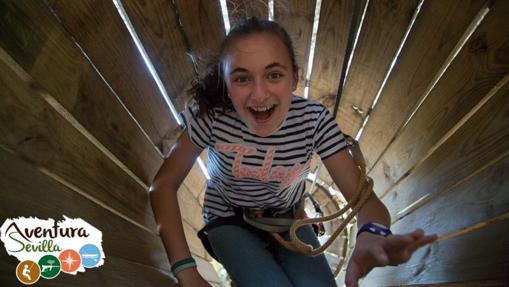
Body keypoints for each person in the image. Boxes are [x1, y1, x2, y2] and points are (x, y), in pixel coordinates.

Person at [149, 17, 437, 287]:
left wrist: (373, 234)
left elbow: (365, 201)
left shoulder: (313, 121)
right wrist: (185, 268)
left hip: (290, 220)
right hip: (229, 218)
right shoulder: (210, 119)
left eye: (274, 75)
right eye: (242, 79)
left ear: (295, 77)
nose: (259, 94)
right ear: (226, 84)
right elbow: (163, 185)